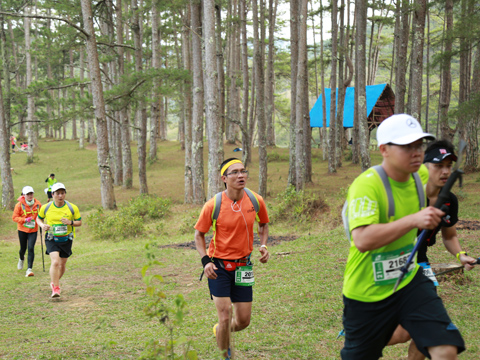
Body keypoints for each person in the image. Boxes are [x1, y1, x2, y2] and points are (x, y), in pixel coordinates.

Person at [341, 114, 465, 360]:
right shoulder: (366, 185)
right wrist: (413, 220)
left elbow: (443, 171)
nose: (416, 152)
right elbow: (363, 240)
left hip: (408, 280)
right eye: (407, 146)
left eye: (419, 145)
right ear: (384, 149)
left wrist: (449, 166)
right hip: (366, 291)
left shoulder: (419, 176)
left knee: (444, 348)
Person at [387, 139, 477, 360]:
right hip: (394, 264)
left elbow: (450, 235)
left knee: (428, 328)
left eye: (449, 166)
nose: (445, 171)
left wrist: (461, 255)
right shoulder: (408, 192)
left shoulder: (449, 201)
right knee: (401, 332)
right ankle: (362, 334)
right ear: (425, 166)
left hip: (422, 266)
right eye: (438, 165)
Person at [194, 158, 270, 360]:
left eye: (243, 171)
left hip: (243, 267)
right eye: (235, 172)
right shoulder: (213, 205)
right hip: (218, 267)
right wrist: (205, 261)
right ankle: (225, 354)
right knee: (226, 315)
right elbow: (199, 234)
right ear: (224, 178)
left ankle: (220, 330)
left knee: (243, 321)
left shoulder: (256, 200)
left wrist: (262, 245)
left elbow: (263, 224)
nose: (241, 175)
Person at [36, 183, 82, 298]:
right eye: (57, 193)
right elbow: (38, 218)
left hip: (66, 239)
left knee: (62, 265)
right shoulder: (46, 207)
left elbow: (79, 222)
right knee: (55, 262)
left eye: (62, 193)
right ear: (53, 194)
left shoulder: (72, 207)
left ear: (65, 194)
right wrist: (42, 226)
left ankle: (54, 282)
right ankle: (56, 288)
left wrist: (70, 222)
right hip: (51, 238)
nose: (60, 196)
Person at [12, 186, 42, 277]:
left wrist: (42, 222)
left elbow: (41, 216)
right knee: (23, 249)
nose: (30, 195)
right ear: (24, 195)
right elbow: (14, 218)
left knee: (31, 248)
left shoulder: (38, 204)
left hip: (33, 230)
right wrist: (24, 220)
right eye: (28, 194)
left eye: (31, 193)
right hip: (22, 230)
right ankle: (21, 259)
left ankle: (29, 269)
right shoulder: (19, 205)